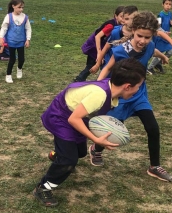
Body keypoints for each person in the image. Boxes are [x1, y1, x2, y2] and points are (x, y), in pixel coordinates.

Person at [33, 58, 147, 207]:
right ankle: (43, 188)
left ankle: (57, 155)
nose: (139, 90)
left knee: (80, 153)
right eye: (138, 86)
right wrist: (96, 140)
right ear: (127, 86)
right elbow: (74, 119)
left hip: (76, 116)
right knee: (69, 160)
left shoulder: (111, 90)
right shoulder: (100, 95)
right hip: (61, 116)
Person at [89, 11, 172, 183]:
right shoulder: (120, 50)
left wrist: (163, 56)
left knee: (153, 128)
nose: (143, 40)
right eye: (139, 36)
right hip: (120, 97)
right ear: (133, 30)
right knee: (109, 130)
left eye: (147, 37)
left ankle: (154, 166)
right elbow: (107, 68)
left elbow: (154, 51)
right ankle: (96, 149)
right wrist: (98, 87)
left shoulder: (149, 46)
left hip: (139, 95)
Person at [73, 6, 125, 82]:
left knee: (104, 64)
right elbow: (97, 37)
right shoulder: (111, 26)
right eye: (121, 17)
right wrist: (99, 53)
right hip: (95, 45)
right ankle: (79, 80)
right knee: (91, 65)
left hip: (103, 46)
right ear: (116, 16)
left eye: (125, 17)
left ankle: (103, 80)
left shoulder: (121, 26)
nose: (123, 19)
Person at [0, 0, 31, 83]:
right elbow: (4, 28)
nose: (21, 9)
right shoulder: (8, 17)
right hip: (11, 41)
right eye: (19, 7)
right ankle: (8, 75)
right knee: (12, 59)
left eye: (22, 7)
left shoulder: (25, 17)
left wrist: (28, 39)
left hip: (21, 42)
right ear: (13, 6)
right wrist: (1, 38)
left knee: (22, 59)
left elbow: (28, 29)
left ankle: (19, 68)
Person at [147, 0, 172, 74]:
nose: (168, 6)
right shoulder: (160, 15)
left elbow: (169, 22)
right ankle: (149, 68)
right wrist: (164, 32)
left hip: (166, 37)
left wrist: (171, 24)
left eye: (170, 4)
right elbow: (158, 27)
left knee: (171, 51)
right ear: (162, 4)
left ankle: (158, 63)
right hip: (159, 37)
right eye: (166, 4)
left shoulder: (170, 14)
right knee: (160, 52)